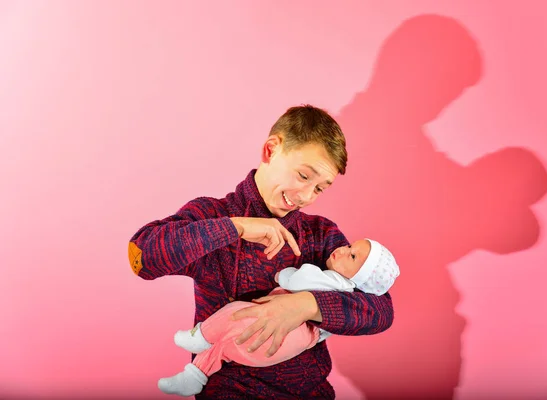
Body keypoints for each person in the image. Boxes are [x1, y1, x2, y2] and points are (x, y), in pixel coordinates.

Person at [127, 104, 394, 399]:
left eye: (320, 189)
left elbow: (381, 310)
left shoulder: (320, 234)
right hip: (231, 389)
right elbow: (141, 258)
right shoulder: (214, 215)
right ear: (270, 151)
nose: (306, 196)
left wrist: (304, 305)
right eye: (304, 176)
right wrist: (234, 227)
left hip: (310, 391)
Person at [157, 238, 400, 396]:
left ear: (361, 278)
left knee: (234, 316)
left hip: (284, 337)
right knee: (229, 345)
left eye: (353, 256)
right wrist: (237, 227)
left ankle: (199, 336)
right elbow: (149, 255)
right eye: (349, 247)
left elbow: (294, 279)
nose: (343, 250)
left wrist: (301, 297)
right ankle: (193, 376)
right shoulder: (351, 290)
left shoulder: (330, 274)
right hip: (289, 345)